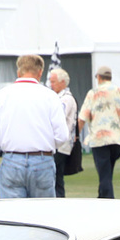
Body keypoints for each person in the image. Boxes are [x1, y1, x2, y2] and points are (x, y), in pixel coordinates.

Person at [0, 54, 67, 199]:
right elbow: (62, 136)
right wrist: (45, 144)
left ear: (18, 72)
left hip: (12, 160)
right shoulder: (51, 97)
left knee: (14, 216)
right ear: (40, 72)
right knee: (43, 215)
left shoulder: (1, 96)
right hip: (42, 160)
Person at [78, 65, 120, 199]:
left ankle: (108, 202)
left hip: (99, 139)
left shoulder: (93, 93)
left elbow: (82, 117)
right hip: (117, 140)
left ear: (99, 77)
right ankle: (101, 199)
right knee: (107, 173)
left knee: (105, 176)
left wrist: (75, 136)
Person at [48, 67, 78, 198]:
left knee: (53, 175)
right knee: (57, 177)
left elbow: (57, 117)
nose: (50, 84)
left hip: (61, 144)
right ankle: (59, 200)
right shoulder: (58, 97)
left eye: (53, 81)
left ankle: (57, 199)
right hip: (60, 144)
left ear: (62, 82)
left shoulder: (66, 99)